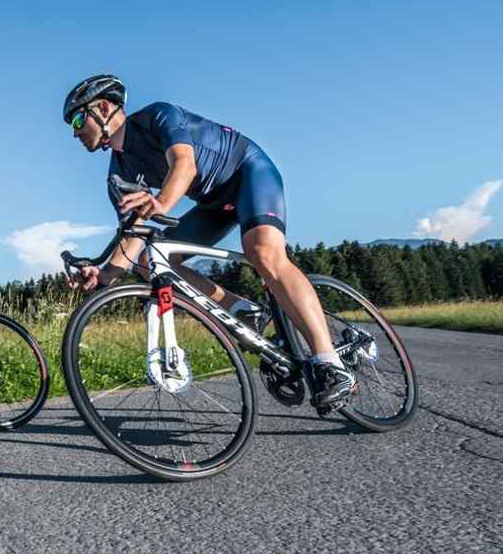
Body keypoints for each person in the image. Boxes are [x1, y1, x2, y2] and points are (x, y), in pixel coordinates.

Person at [61, 74, 355, 412]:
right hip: (213, 203)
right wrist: (103, 276)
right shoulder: (119, 172)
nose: (75, 132)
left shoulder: (158, 116)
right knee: (149, 262)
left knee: (263, 253)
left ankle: (330, 362)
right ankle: (242, 310)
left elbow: (184, 164)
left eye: (78, 120)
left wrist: (161, 202)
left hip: (248, 173)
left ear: (103, 108)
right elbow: (133, 233)